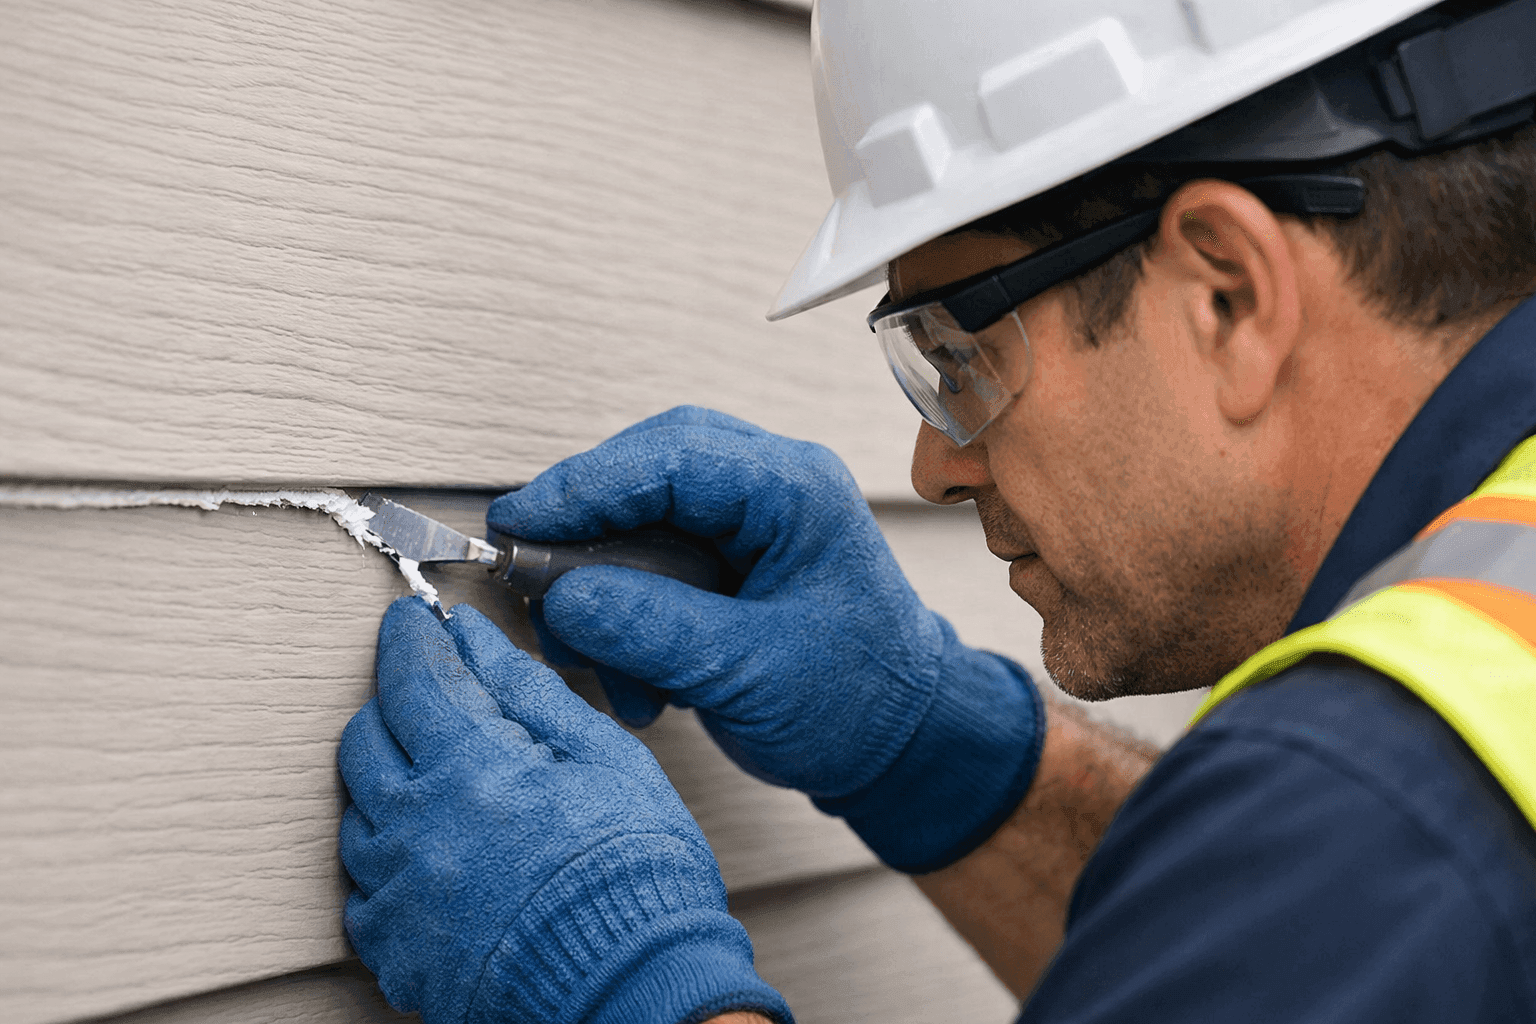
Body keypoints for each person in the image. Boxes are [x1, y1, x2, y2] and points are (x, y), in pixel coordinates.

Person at [335, 0, 1536, 1020]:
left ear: (1226, 295)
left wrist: (619, 980)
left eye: (957, 349)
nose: (932, 467)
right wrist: (934, 751)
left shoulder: (1372, 807)